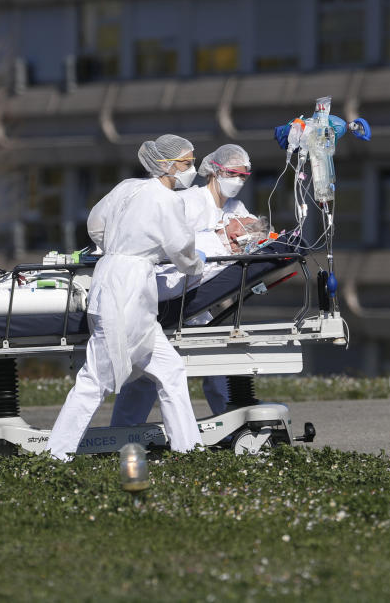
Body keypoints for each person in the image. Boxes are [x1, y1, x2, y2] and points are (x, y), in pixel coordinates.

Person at [45, 134, 206, 461]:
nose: (193, 170)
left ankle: (188, 450)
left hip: (111, 280)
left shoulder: (127, 187)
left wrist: (119, 245)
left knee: (171, 370)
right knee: (95, 381)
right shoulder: (167, 200)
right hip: (128, 293)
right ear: (166, 165)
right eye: (187, 163)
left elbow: (95, 223)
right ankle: (55, 456)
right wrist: (195, 265)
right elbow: (181, 249)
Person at [110, 144, 263, 427]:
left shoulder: (236, 208)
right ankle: (122, 433)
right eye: (234, 174)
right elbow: (170, 242)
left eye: (245, 176)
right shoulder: (188, 201)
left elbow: (255, 231)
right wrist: (215, 238)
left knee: (217, 368)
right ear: (215, 171)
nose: (240, 181)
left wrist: (244, 234)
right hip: (169, 292)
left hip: (200, 300)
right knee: (145, 375)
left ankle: (230, 425)